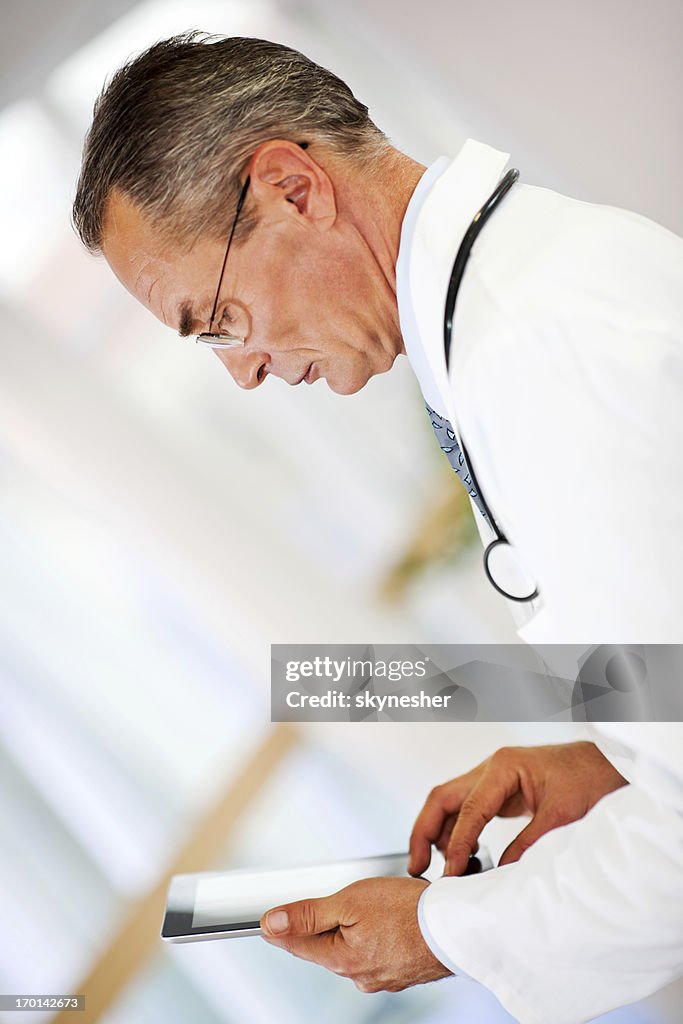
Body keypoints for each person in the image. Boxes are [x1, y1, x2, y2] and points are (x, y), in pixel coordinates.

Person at [72, 32, 683, 1023]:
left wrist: (438, 932)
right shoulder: (533, 290)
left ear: (289, 187)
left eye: (218, 317)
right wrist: (614, 758)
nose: (245, 369)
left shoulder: (534, 351)